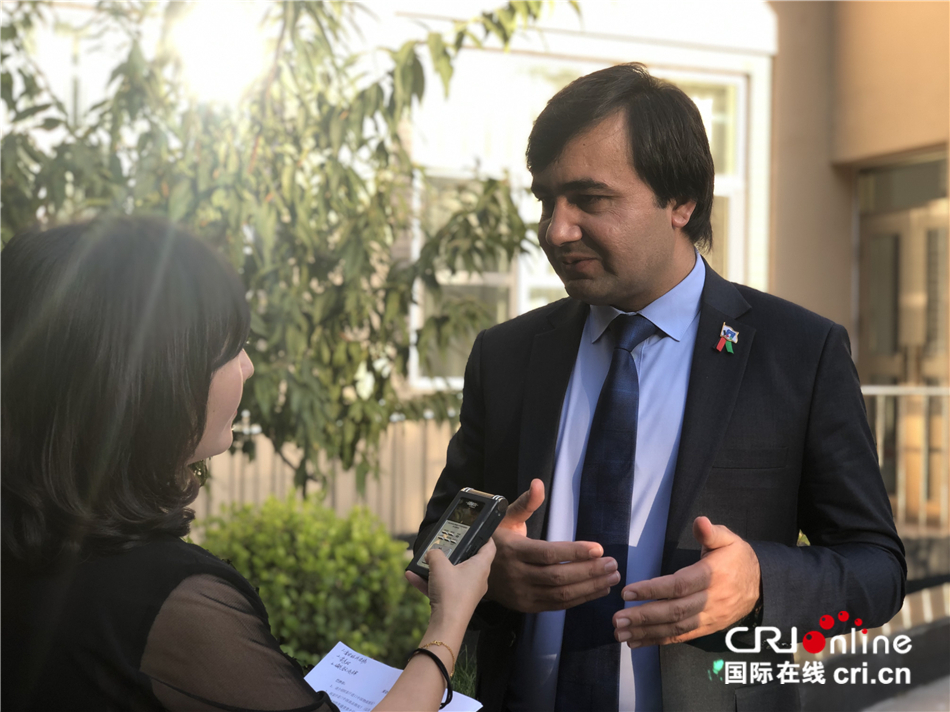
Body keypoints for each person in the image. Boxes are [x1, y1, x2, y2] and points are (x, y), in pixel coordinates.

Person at [414, 63, 905, 712]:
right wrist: (488, 568)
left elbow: (877, 568)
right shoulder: (507, 356)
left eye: (590, 200)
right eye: (547, 200)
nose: (556, 230)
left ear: (681, 203)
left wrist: (760, 581)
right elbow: (436, 538)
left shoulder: (797, 353)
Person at [1, 216, 494, 712]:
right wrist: (447, 625)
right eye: (228, 349)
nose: (247, 367)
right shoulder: (169, 603)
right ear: (151, 382)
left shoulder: (30, 541)